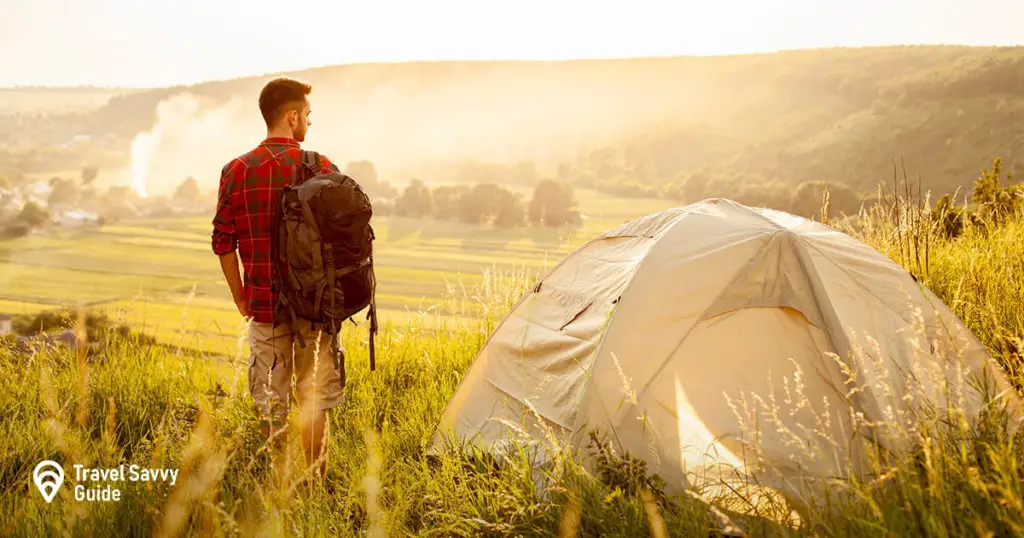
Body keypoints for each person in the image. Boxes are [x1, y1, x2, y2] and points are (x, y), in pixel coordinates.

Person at [211, 76, 344, 481]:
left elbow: (222, 243)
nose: (308, 123)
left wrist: (240, 297)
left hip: (264, 309)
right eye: (306, 115)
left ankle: (279, 486)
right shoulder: (320, 166)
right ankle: (315, 487)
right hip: (314, 310)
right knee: (314, 400)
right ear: (291, 116)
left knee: (271, 404)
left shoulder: (236, 170)